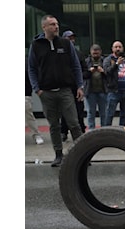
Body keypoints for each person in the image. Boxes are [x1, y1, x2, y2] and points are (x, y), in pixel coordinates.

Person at [28, 14, 84, 167]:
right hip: (46, 93)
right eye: (52, 24)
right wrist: (37, 89)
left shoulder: (66, 44)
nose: (56, 27)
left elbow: (75, 66)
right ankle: (58, 155)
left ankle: (82, 154)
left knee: (74, 123)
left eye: (57, 24)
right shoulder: (36, 45)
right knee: (54, 125)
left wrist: (80, 86)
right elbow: (31, 69)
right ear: (44, 27)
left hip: (65, 90)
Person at [60, 30, 87, 141]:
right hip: (64, 87)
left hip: (77, 87)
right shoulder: (60, 52)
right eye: (69, 38)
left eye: (72, 38)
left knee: (79, 110)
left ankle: (81, 131)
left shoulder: (79, 54)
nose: (71, 40)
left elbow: (85, 70)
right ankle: (63, 132)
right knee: (64, 111)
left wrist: (79, 78)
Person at [103, 40, 125, 126]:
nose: (118, 49)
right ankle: (107, 132)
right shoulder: (108, 59)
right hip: (114, 91)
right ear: (112, 49)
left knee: (124, 114)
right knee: (110, 114)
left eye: (120, 47)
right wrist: (116, 64)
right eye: (116, 47)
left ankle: (121, 132)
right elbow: (107, 72)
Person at [84, 44, 107, 130]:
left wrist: (103, 71)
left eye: (97, 53)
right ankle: (91, 131)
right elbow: (83, 75)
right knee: (90, 113)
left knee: (103, 113)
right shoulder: (86, 62)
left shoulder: (105, 61)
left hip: (103, 91)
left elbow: (110, 75)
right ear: (91, 52)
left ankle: (104, 130)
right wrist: (90, 71)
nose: (96, 55)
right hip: (90, 91)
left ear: (100, 52)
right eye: (94, 53)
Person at [25, 57, 44, 145]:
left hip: (25, 92)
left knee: (28, 114)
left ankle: (36, 134)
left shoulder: (26, 62)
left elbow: (30, 74)